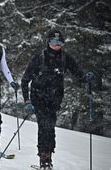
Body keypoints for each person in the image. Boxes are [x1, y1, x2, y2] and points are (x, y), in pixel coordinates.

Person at [21, 30, 91, 170]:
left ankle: (49, 156)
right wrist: (27, 101)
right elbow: (25, 80)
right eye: (53, 42)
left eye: (59, 43)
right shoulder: (39, 57)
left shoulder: (65, 58)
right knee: (44, 126)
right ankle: (44, 158)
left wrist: (86, 78)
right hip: (38, 97)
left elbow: (77, 72)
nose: (56, 45)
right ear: (48, 42)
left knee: (51, 127)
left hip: (55, 99)